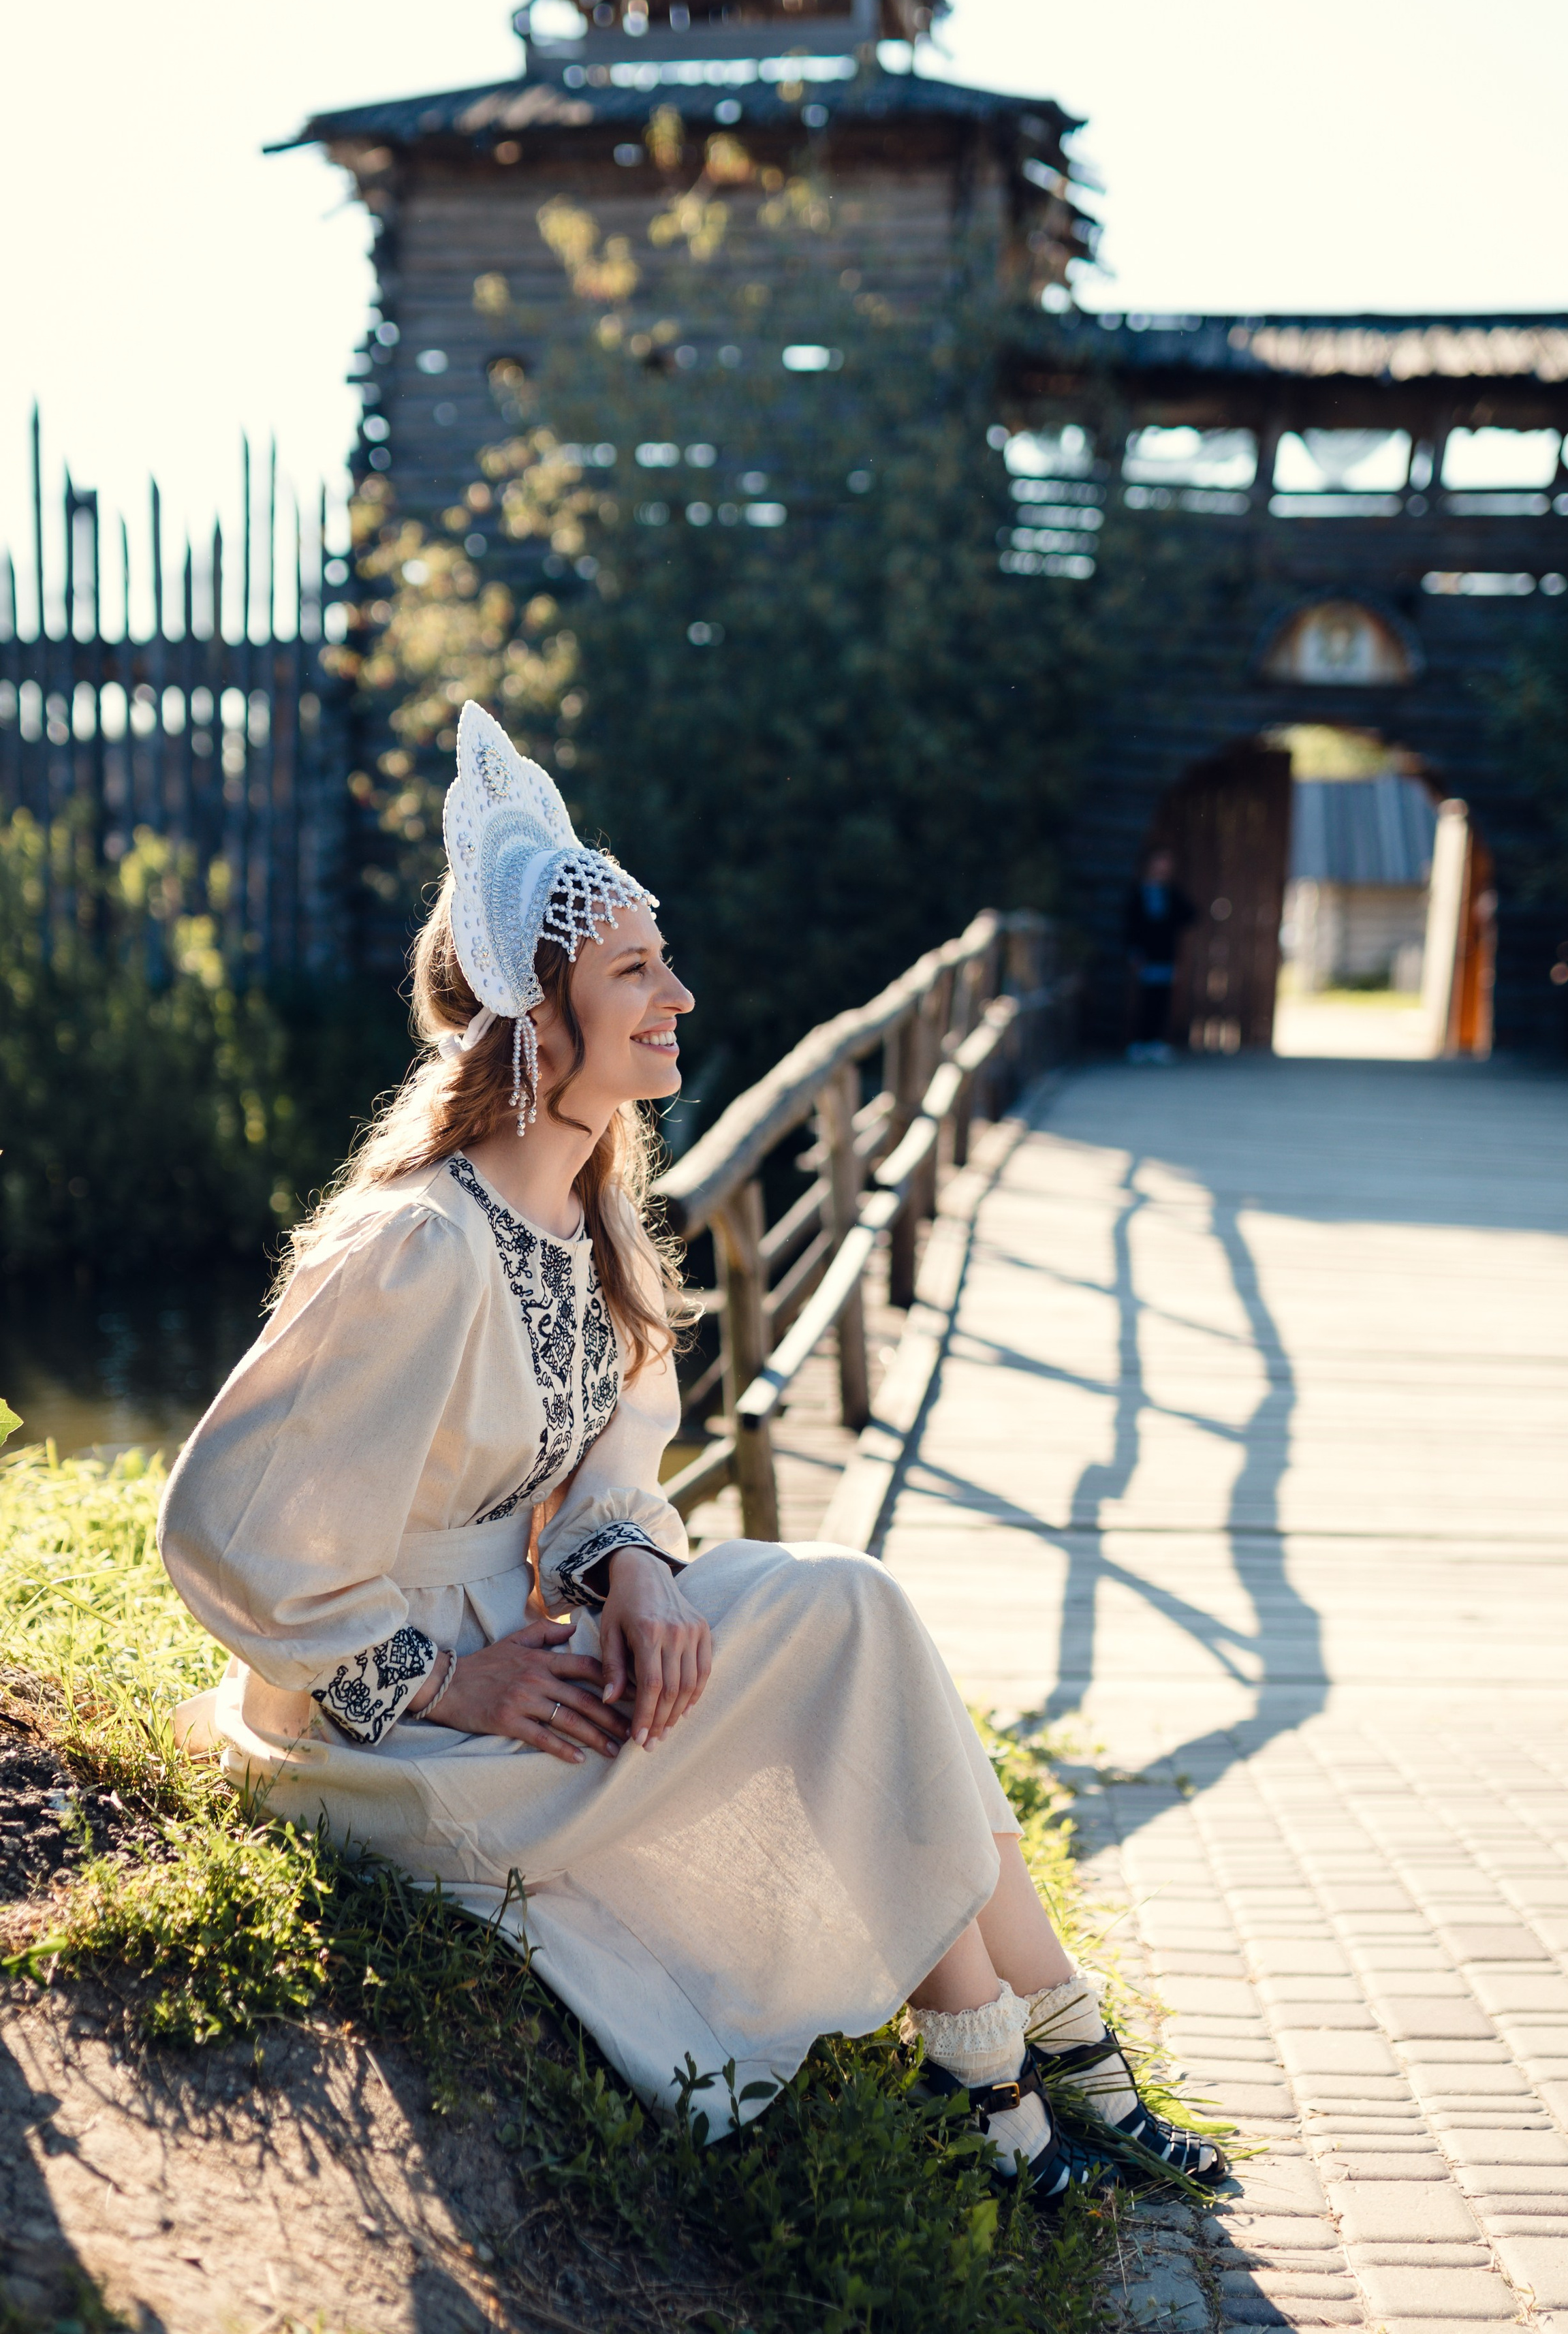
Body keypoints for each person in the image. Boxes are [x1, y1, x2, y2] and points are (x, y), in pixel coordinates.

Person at [158, 704, 1226, 2195]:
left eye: (662, 960)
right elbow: (219, 1519)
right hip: (386, 1730)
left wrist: (640, 1566)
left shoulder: (585, 1211)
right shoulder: (413, 1242)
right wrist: (442, 1670)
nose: (681, 993)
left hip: (531, 1650)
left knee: (853, 1615)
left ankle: (1033, 2071)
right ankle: (1016, 2083)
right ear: (539, 1019)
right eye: (633, 970)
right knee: (848, 1624)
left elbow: (609, 1454)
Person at [1121, 845, 1197, 1063]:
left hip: (1166, 954)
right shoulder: (1139, 892)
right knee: (1144, 998)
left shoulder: (1171, 893)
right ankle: (1139, 1041)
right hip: (1145, 954)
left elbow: (1190, 914)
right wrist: (1134, 952)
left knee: (1161, 999)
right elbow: (1131, 925)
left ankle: (1155, 1042)